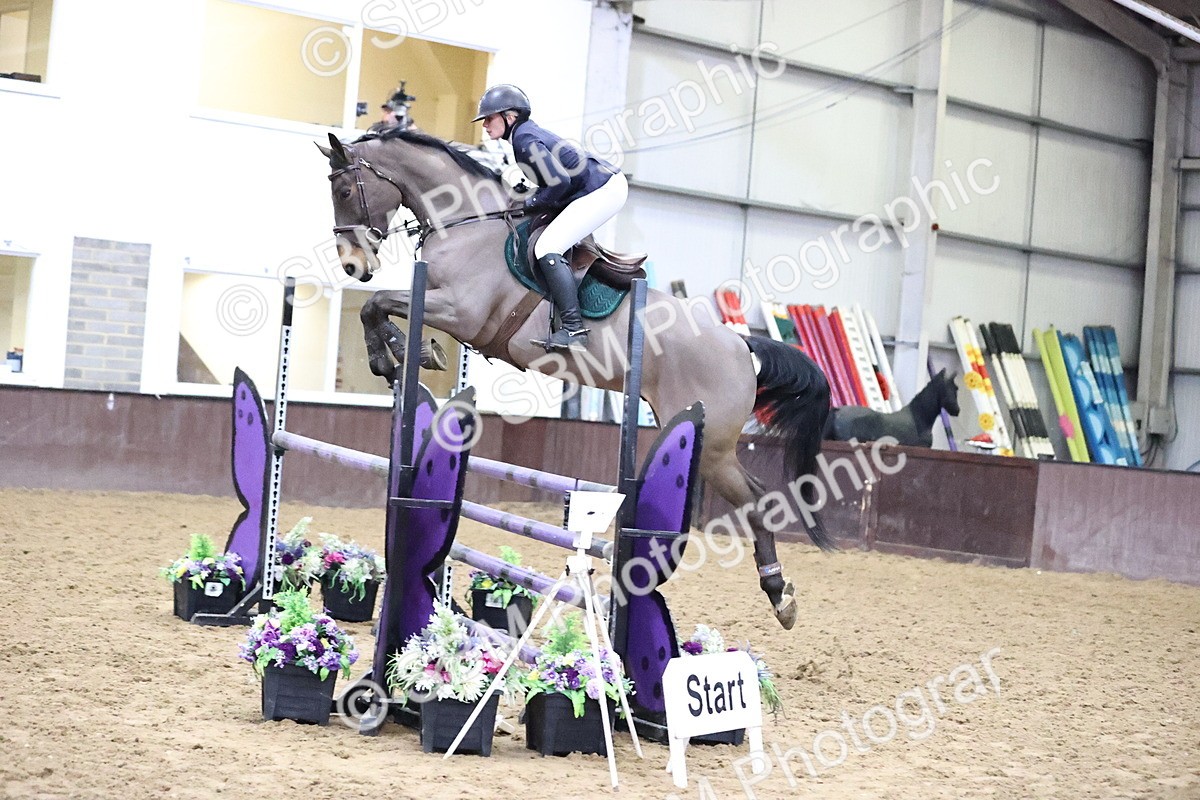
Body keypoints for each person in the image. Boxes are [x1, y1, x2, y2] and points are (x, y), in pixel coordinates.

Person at [473, 84, 628, 352]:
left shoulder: (524, 140)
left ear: (510, 117)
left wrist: (533, 202)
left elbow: (558, 182)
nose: (485, 125)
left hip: (603, 189)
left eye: (489, 118)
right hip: (594, 187)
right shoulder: (523, 135)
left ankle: (574, 329)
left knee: (548, 247)